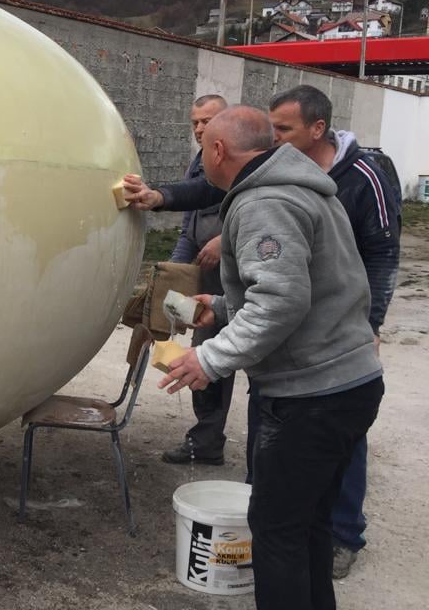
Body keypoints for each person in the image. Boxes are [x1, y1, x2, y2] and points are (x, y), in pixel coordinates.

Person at [126, 86, 400, 578]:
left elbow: (280, 302)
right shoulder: (300, 185)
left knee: (277, 534)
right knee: (310, 529)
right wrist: (221, 308)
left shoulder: (264, 202)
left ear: (217, 151)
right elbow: (298, 289)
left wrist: (209, 359)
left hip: (312, 395)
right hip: (346, 383)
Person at [268, 85, 400, 578]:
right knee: (293, 424)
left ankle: (344, 533)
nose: (274, 137)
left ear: (317, 128)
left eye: (284, 128)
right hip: (301, 324)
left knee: (344, 426)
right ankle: (291, 517)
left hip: (345, 327)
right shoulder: (285, 168)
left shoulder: (363, 177)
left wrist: (371, 322)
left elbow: (383, 253)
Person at [132, 94, 234, 466]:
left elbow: (241, 210)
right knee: (200, 351)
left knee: (221, 357)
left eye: (208, 120)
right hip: (206, 277)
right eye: (195, 122)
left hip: (234, 282)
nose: (200, 128)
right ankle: (207, 439)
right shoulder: (200, 162)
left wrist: (224, 241)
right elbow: (190, 225)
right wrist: (174, 274)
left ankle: (220, 441)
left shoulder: (235, 164)